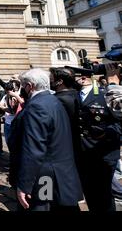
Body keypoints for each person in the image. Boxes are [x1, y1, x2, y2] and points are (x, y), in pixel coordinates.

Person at [10, 69, 82, 211]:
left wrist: (24, 185)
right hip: (59, 172)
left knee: (41, 206)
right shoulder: (53, 100)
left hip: (45, 176)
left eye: (23, 85)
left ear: (30, 86)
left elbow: (34, 150)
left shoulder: (37, 106)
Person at [74, 68, 121, 211]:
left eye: (73, 76)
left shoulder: (105, 94)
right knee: (90, 193)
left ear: (82, 78)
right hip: (83, 154)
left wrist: (104, 133)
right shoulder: (74, 96)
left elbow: (119, 123)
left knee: (104, 196)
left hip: (103, 153)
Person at [49, 67, 82, 164]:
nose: (49, 82)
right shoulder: (79, 94)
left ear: (59, 81)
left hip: (63, 148)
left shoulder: (57, 100)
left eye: (51, 79)